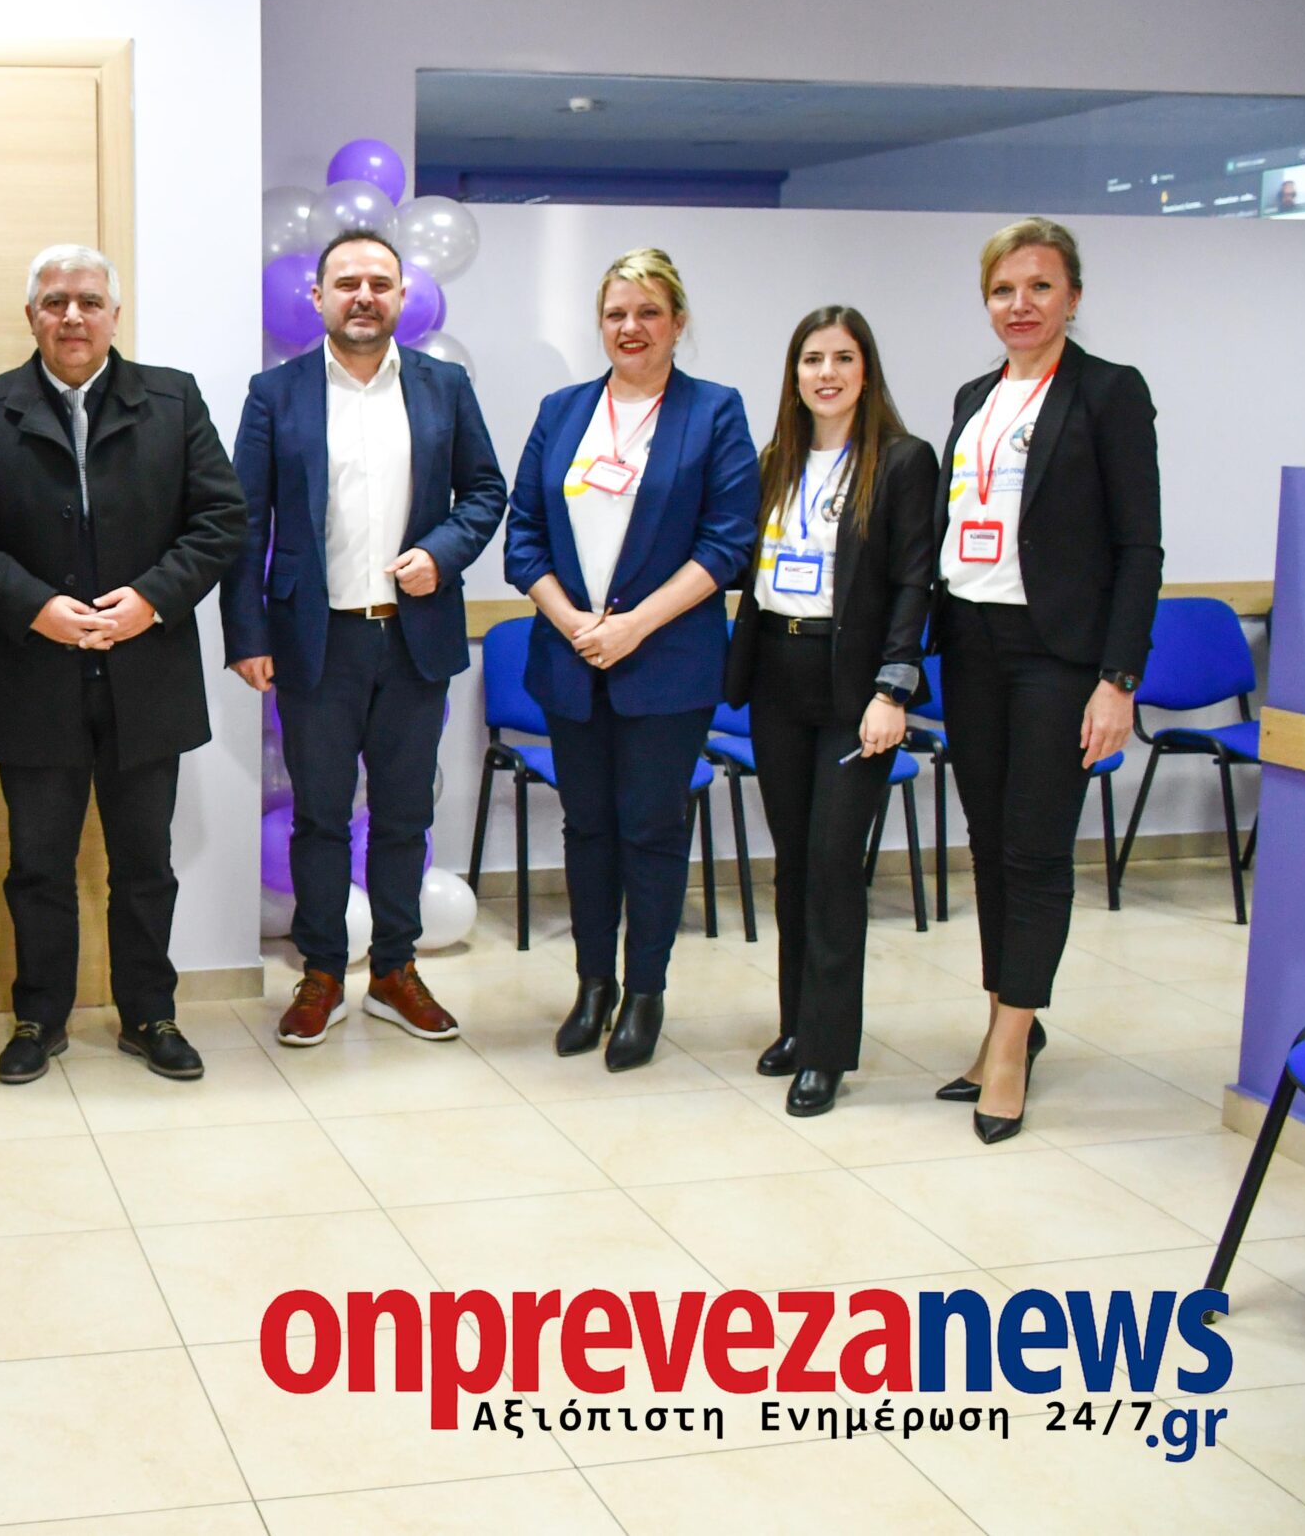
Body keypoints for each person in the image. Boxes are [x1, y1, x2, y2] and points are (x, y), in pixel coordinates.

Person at [0, 245, 245, 1084]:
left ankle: (150, 1014)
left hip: (149, 675)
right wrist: (36, 606)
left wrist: (151, 599)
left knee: (145, 866)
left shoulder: (173, 400)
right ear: (31, 316)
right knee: (38, 867)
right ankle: (39, 1017)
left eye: (90, 301)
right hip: (35, 677)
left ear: (115, 314)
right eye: (56, 301)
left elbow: (220, 518)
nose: (73, 316)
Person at [221, 230, 507, 1048]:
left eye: (380, 283)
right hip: (315, 643)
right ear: (318, 297)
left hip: (414, 640)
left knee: (404, 816)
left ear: (402, 298)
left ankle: (393, 969)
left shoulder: (444, 386)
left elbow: (485, 492)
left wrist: (442, 552)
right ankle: (320, 972)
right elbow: (244, 520)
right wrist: (247, 634)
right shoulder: (276, 393)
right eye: (347, 282)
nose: (364, 296)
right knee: (318, 818)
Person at [933, 217, 1161, 1143]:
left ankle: (1009, 1052)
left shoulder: (1109, 392)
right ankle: (1007, 1017)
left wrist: (1119, 678)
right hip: (971, 642)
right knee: (989, 846)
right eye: (1003, 290)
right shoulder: (973, 396)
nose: (1019, 305)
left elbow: (1138, 547)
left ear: (1073, 296)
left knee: (1034, 849)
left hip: (1056, 654)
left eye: (1038, 287)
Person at [505, 248, 759, 1072]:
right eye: (616, 313)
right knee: (587, 828)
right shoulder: (564, 410)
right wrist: (577, 622)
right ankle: (593, 984)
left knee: (651, 829)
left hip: (668, 663)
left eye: (649, 311)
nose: (631, 327)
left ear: (678, 322)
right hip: (571, 657)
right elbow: (523, 536)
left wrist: (633, 627)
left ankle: (645, 990)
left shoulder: (713, 412)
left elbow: (727, 543)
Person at [720, 306, 937, 1117]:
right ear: (795, 374)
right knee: (794, 863)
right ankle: (796, 1024)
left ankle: (829, 1049)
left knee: (835, 863)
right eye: (812, 359)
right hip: (778, 673)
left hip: (855, 688)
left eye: (843, 358)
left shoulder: (903, 461)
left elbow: (915, 581)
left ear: (866, 369)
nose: (827, 373)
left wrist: (893, 690)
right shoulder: (776, 460)